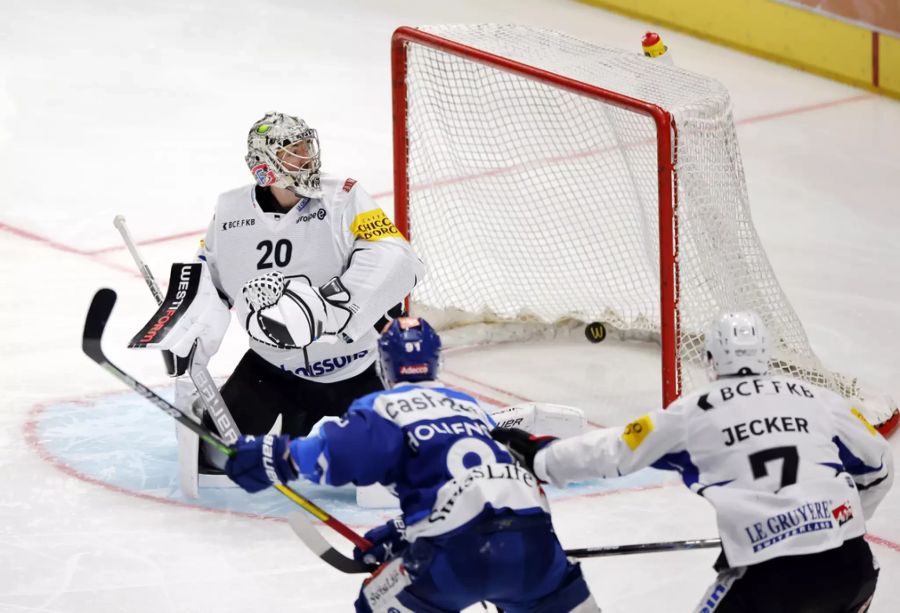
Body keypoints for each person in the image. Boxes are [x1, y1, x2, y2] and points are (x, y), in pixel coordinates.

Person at [493, 311, 893, 613]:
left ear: (710, 358)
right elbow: (879, 466)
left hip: (772, 582)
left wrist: (541, 456)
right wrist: (840, 519)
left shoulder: (695, 413)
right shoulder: (820, 399)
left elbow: (615, 451)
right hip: (852, 569)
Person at [224, 317, 599, 613]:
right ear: (436, 362)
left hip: (454, 555)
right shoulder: (473, 408)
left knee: (376, 601)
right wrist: (403, 532)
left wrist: (275, 456)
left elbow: (341, 454)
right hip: (535, 543)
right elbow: (471, 482)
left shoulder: (385, 407)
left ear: (384, 366)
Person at [150, 111, 424, 445]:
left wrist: (326, 311)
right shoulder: (230, 212)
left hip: (359, 368)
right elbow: (209, 283)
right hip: (274, 371)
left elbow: (395, 257)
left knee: (397, 463)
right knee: (215, 458)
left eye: (306, 146)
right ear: (262, 166)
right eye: (291, 152)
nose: (306, 158)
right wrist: (187, 333)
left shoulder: (343, 196)